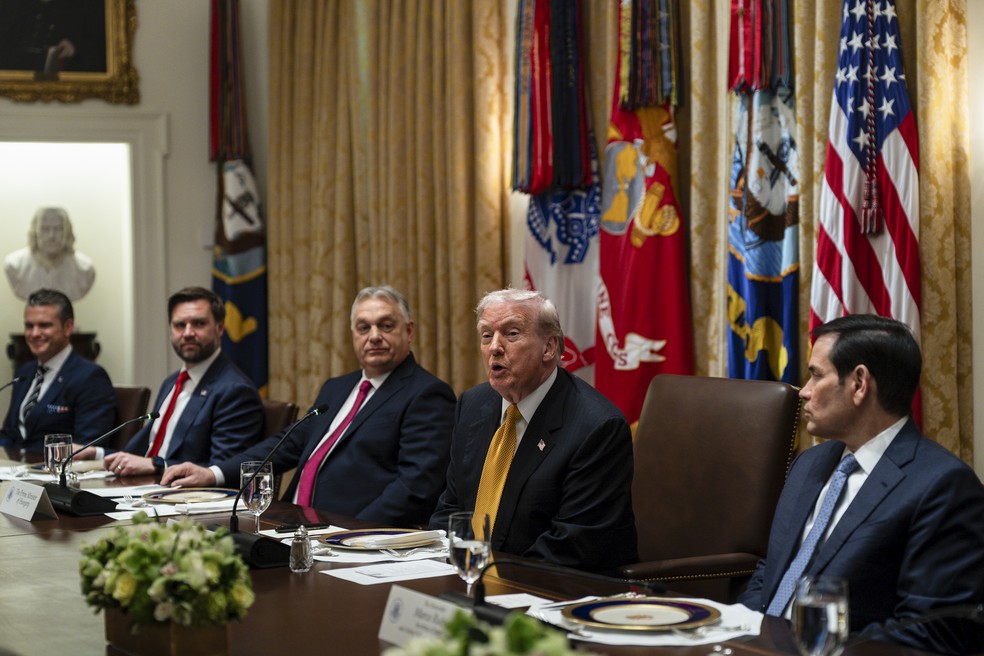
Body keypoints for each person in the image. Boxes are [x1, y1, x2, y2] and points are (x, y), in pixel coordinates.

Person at [738, 314, 984, 654]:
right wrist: (744, 634)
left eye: (816, 375)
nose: (804, 392)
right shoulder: (809, 463)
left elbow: (933, 632)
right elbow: (771, 572)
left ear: (859, 384)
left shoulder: (942, 487)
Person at [162, 285, 456, 527]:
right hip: (290, 521)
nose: (374, 336)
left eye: (386, 325)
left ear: (409, 331)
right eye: (363, 327)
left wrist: (350, 533)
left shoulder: (427, 394)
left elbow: (415, 488)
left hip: (349, 533)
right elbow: (285, 445)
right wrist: (212, 473)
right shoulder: (337, 387)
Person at [429, 289, 638, 571]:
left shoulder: (596, 427)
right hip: (468, 579)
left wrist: (486, 579)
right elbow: (451, 508)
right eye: (487, 335)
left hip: (552, 590)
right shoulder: (472, 405)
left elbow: (572, 546)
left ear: (549, 348)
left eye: (512, 333)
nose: (494, 347)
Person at [97, 287, 263, 476]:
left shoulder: (235, 390)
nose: (188, 333)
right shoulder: (172, 382)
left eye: (199, 323)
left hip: (185, 497)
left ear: (220, 328)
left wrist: (158, 465)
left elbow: (221, 469)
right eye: (179, 325)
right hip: (141, 486)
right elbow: (142, 451)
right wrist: (96, 453)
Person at [0, 289, 115, 454]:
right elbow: (9, 434)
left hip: (54, 474)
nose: (34, 333)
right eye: (29, 326)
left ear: (68, 327)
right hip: (13, 473)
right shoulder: (25, 372)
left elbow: (85, 447)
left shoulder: (90, 377)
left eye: (44, 325)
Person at [4, 207, 96, 301]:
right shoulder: (15, 266)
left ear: (67, 232)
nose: (51, 236)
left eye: (58, 229)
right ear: (35, 231)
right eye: (45, 229)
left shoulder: (84, 269)